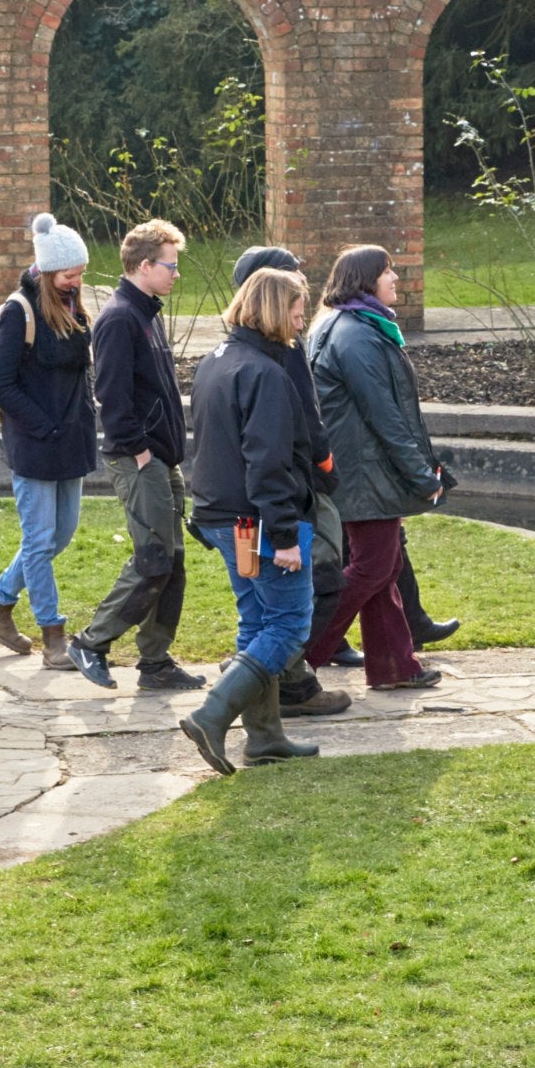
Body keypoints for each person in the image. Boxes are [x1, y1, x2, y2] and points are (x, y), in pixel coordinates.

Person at [180, 266, 331, 773]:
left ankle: (265, 738)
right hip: (260, 521)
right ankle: (212, 714)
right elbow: (268, 461)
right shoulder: (265, 374)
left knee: (257, 622)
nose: (301, 317)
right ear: (272, 308)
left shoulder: (217, 360)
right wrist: (285, 536)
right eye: (295, 308)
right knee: (288, 626)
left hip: (222, 517)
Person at [303, 245, 449, 692]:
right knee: (371, 566)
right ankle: (292, 659)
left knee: (383, 565)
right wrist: (422, 476)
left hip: (363, 469)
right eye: (388, 272)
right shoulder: (357, 334)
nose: (396, 279)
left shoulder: (348, 325)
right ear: (365, 280)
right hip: (365, 473)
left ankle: (394, 667)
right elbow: (384, 414)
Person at [71, 220, 207, 692]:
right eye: (170, 266)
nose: (176, 274)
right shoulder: (120, 318)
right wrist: (141, 452)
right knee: (152, 558)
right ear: (144, 265)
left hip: (160, 458)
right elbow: (110, 396)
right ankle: (91, 641)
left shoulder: (147, 313)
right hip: (139, 459)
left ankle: (155, 662)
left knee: (171, 560)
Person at [0, 214, 100, 667]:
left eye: (80, 273)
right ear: (44, 272)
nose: (75, 281)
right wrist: (43, 426)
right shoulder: (17, 313)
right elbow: (2, 384)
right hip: (36, 443)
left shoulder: (74, 307)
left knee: (60, 535)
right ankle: (53, 637)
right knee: (40, 541)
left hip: (71, 441)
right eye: (68, 274)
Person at [226, 245, 351, 718]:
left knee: (262, 609)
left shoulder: (237, 353)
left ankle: (267, 692)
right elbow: (283, 438)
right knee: (307, 594)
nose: (304, 294)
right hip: (281, 497)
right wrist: (323, 468)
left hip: (253, 499)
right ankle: (272, 679)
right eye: (293, 283)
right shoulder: (270, 360)